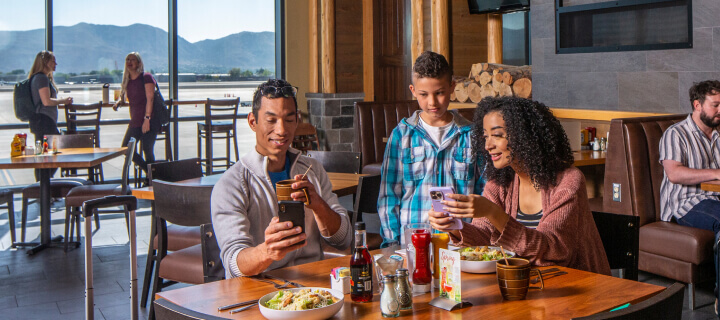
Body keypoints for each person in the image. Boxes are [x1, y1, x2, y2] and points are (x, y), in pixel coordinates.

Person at [429, 97, 610, 275]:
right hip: (527, 286)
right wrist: (453, 225)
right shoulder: (499, 183)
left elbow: (552, 251)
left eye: (497, 135)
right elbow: (485, 239)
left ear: (524, 136)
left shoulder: (569, 181)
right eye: (485, 137)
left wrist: (493, 212)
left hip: (578, 288)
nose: (487, 145)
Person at [211, 79, 352, 278]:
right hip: (261, 290)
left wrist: (318, 205)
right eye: (271, 120)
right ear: (253, 121)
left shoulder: (313, 170)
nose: (282, 130)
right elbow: (234, 262)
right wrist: (267, 251)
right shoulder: (232, 184)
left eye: (289, 119)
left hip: (313, 287)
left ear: (297, 121)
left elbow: (344, 239)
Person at [377, 51, 485, 247]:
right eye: (424, 95)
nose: (432, 102)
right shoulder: (401, 136)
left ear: (452, 87)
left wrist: (478, 238)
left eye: (440, 93)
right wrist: (392, 244)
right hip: (413, 244)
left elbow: (484, 191)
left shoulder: (472, 135)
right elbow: (389, 196)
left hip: (462, 244)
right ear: (413, 90)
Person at [658, 80, 720, 312]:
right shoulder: (676, 133)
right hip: (684, 203)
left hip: (714, 199)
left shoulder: (718, 136)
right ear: (697, 105)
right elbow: (674, 173)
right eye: (715, 105)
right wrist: (715, 172)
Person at [28, 50, 73, 179]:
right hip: (44, 121)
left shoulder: (38, 78)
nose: (56, 63)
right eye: (53, 60)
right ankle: (43, 188)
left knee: (44, 157)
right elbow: (46, 101)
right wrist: (64, 101)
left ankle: (43, 191)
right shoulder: (41, 78)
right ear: (45, 62)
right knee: (55, 153)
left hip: (41, 121)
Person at [112, 52, 158, 177]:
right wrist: (118, 102)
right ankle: (151, 174)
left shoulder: (146, 77)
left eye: (133, 59)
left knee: (147, 150)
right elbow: (126, 97)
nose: (129, 62)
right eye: (127, 59)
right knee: (126, 148)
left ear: (138, 63)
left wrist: (147, 119)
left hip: (149, 120)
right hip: (136, 121)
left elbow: (150, 99)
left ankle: (152, 181)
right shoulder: (127, 81)